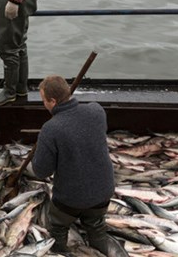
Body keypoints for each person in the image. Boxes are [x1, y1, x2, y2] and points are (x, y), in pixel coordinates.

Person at [30, 75, 115, 254]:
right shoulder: (96, 110)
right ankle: (102, 252)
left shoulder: (51, 128)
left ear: (52, 101)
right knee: (96, 225)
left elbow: (41, 171)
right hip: (103, 190)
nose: (43, 104)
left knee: (58, 227)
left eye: (44, 100)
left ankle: (60, 252)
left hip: (71, 199)